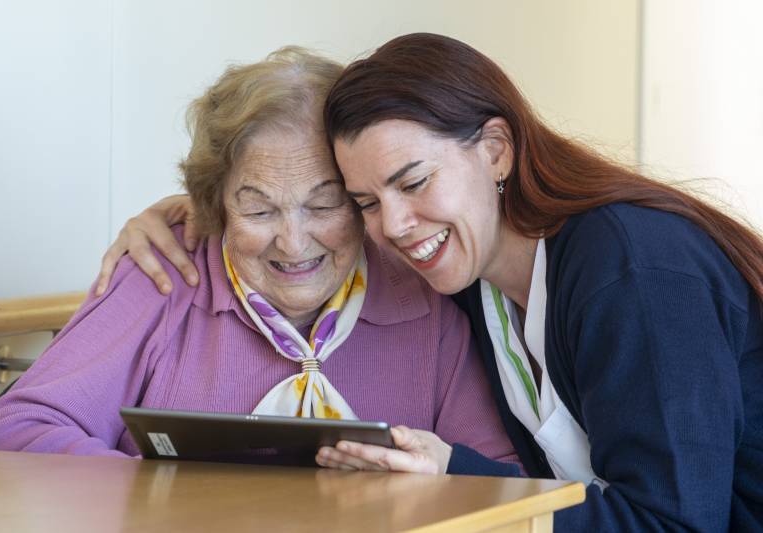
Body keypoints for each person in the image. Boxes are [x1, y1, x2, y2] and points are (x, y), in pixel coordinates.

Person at [104, 34, 763, 531]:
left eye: (413, 182)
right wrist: (198, 212)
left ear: (497, 150)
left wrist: (456, 474)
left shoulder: (631, 266)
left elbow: (674, 524)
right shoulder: (473, 284)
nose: (393, 225)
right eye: (363, 201)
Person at [0, 47, 517, 468]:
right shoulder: (165, 271)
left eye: (324, 204)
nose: (294, 242)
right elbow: (12, 434)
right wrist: (171, 496)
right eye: (258, 211)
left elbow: (500, 480)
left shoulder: (421, 291)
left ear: (360, 197)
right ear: (217, 203)